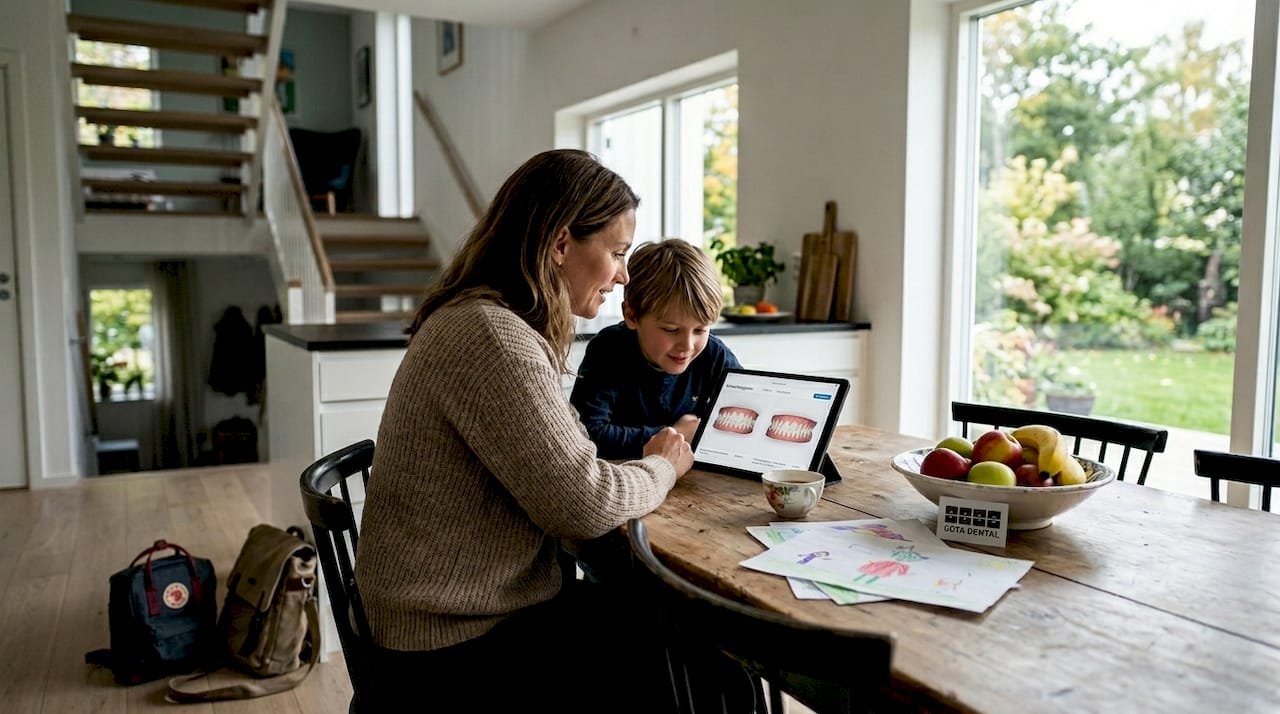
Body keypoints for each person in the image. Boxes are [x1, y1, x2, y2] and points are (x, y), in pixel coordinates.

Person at [353, 149, 695, 712]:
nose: (624, 276)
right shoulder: (491, 336)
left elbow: (564, 478)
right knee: (691, 655)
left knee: (667, 634)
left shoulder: (487, 321)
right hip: (448, 647)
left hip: (452, 617)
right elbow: (582, 505)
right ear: (561, 245)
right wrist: (663, 465)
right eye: (616, 253)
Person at [571, 237, 742, 459]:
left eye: (700, 330)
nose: (687, 346)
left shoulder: (715, 355)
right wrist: (675, 435)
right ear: (632, 315)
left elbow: (747, 423)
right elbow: (586, 434)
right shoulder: (609, 351)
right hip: (626, 480)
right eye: (671, 330)